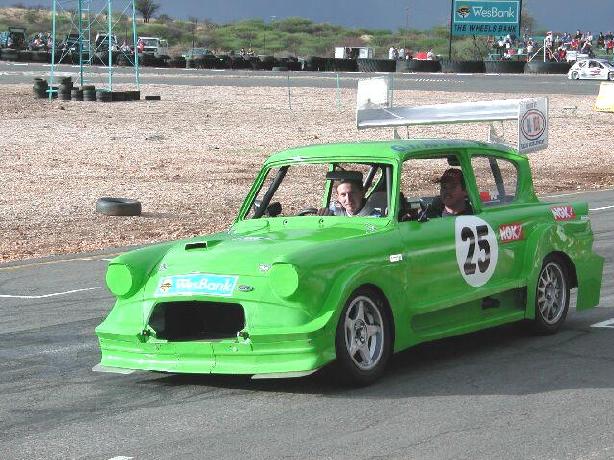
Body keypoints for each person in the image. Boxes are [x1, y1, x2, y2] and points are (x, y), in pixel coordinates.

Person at [317, 180, 382, 217]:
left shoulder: (375, 217)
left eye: (352, 194)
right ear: (338, 197)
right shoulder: (332, 210)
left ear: (362, 193)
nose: (348, 199)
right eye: (343, 194)